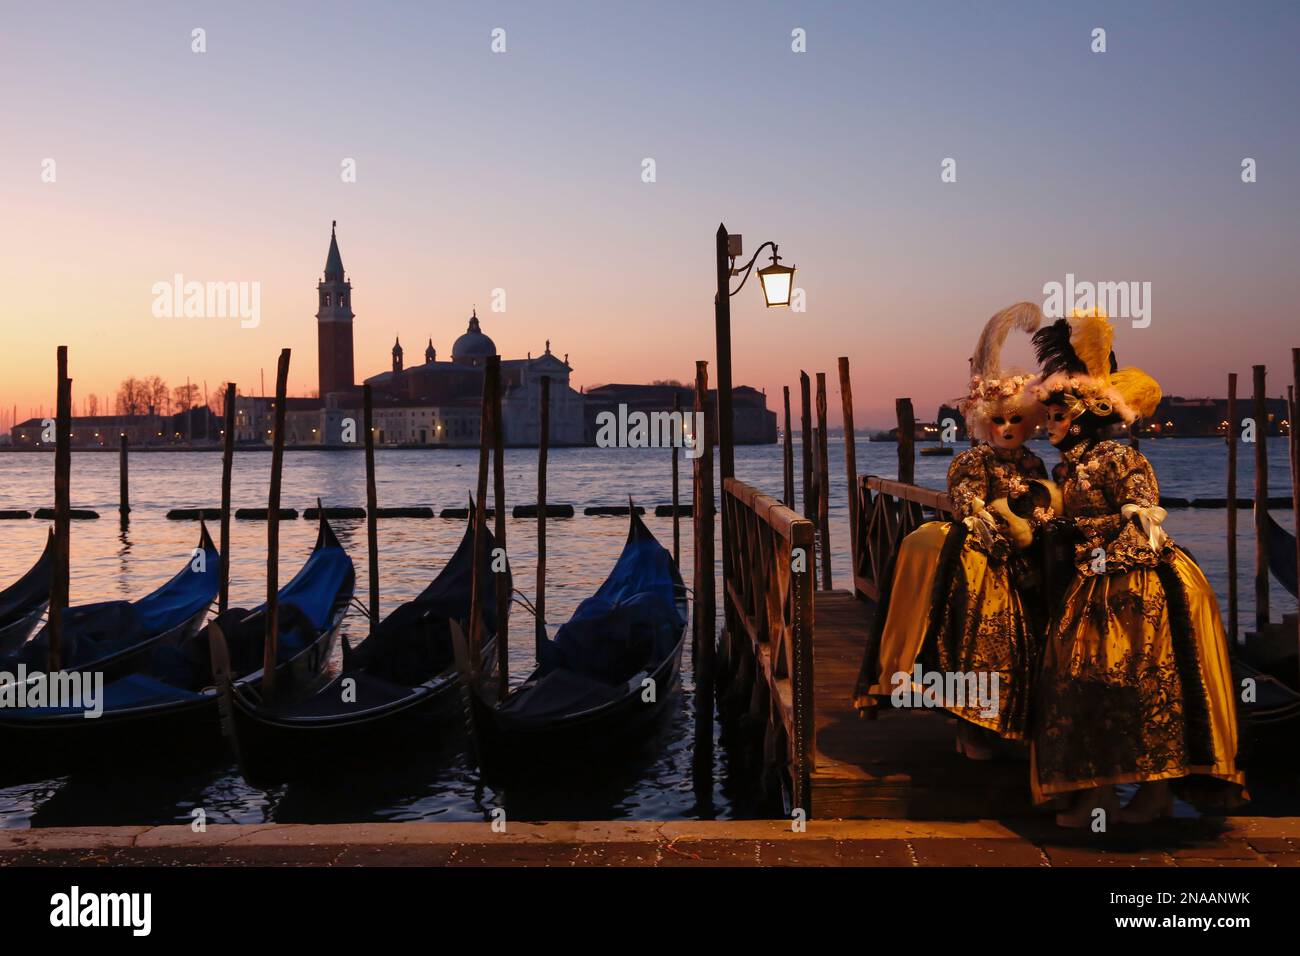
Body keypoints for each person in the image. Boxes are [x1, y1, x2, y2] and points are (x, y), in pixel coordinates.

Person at [1029, 309, 1247, 826]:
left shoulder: (1116, 458)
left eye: (1059, 416)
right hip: (1100, 580)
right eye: (1051, 415)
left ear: (1084, 415)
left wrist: (1083, 543)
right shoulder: (1073, 464)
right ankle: (1113, 797)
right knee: (1097, 684)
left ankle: (1134, 798)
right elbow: (1085, 518)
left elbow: (1142, 516)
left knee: (1123, 682)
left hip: (1136, 586)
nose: (1049, 424)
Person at [854, 302, 1051, 757]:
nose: (1006, 427)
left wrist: (1040, 524)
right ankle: (968, 727)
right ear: (984, 421)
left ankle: (1011, 720)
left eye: (1014, 420)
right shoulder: (972, 460)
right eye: (998, 419)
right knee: (971, 642)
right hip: (979, 558)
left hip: (1025, 556)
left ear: (1029, 422)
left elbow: (1043, 501)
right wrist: (1000, 529)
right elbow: (968, 504)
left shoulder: (1034, 462)